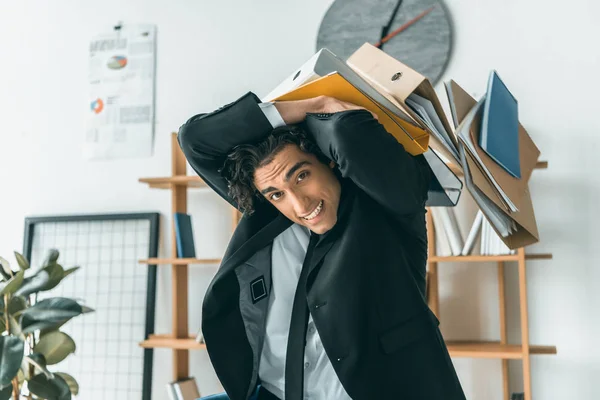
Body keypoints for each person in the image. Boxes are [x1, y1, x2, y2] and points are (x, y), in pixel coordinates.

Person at [178, 92, 466, 400]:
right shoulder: (267, 214)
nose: (300, 204)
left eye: (302, 176)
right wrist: (308, 106)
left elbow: (348, 134)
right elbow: (195, 139)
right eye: (276, 194)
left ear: (329, 160)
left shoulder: (388, 208)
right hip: (272, 393)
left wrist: (326, 107)